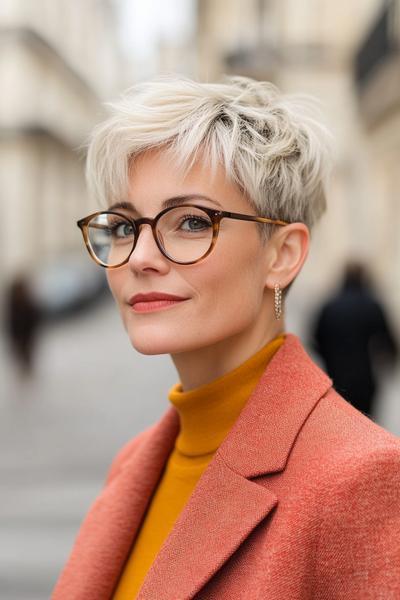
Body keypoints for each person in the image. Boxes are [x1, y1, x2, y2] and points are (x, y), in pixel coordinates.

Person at [53, 77, 400, 600]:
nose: (141, 256)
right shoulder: (135, 463)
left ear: (281, 255)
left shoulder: (360, 480)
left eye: (190, 221)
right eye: (124, 227)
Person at [311, 261, 399, 417]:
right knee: (365, 426)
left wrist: (329, 359)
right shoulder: (372, 306)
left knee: (340, 425)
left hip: (335, 379)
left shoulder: (329, 307)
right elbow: (388, 343)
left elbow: (316, 340)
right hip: (365, 380)